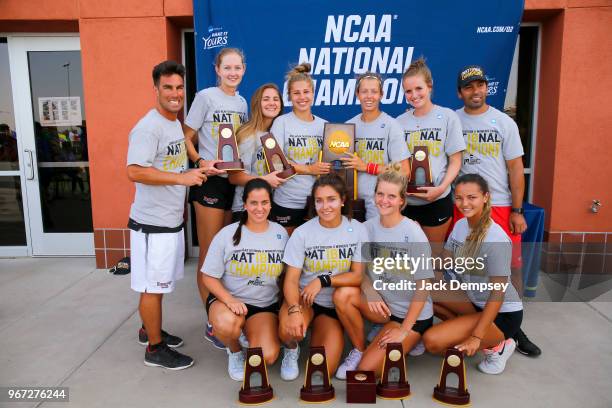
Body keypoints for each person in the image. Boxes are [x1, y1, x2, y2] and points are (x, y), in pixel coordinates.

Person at [455, 65, 540, 357]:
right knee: (466, 268)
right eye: (469, 87)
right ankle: (478, 320)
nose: (475, 91)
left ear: (487, 88)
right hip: (465, 205)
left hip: (500, 205)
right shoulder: (453, 121)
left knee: (510, 268)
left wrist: (517, 209)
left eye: (479, 85)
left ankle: (514, 330)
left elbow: (516, 168)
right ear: (460, 92)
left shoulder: (504, 122)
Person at [127, 60, 207, 370]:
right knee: (152, 287)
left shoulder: (173, 121)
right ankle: (155, 349)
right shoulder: (148, 127)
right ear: (156, 89)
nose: (175, 94)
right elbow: (134, 171)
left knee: (157, 285)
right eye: (167, 88)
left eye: (178, 87)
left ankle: (149, 329)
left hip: (169, 222)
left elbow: (176, 155)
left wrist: (198, 165)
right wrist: (181, 179)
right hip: (152, 225)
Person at [334, 163, 434, 378]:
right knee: (343, 295)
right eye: (380, 194)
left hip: (412, 316)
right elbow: (358, 272)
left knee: (367, 370)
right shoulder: (367, 228)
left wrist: (404, 330)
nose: (384, 201)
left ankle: (409, 339)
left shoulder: (413, 233)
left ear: (401, 200)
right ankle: (359, 349)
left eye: (391, 196)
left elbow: (424, 286)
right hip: (385, 308)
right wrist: (369, 290)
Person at [424, 174, 523, 375]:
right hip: (474, 301)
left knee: (432, 343)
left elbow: (498, 294)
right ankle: (467, 329)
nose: (464, 203)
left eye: (471, 197)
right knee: (424, 288)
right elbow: (445, 260)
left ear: (485, 197)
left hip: (502, 313)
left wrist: (477, 337)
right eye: (459, 198)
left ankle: (498, 346)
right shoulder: (461, 225)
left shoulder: (495, 238)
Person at [183, 48, 248, 348]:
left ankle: (221, 310)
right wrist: (198, 162)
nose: (233, 72)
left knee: (224, 253)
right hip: (209, 183)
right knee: (209, 254)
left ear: (243, 70)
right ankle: (212, 322)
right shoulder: (206, 97)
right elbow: (185, 135)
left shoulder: (242, 102)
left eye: (238, 68)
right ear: (218, 69)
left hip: (232, 182)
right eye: (228, 67)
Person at [278, 174, 368, 381]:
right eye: (319, 200)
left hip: (334, 305)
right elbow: (291, 280)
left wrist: (322, 280)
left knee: (324, 370)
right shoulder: (302, 233)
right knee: (288, 331)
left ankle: (321, 334)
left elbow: (357, 277)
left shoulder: (357, 229)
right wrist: (293, 310)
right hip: (305, 300)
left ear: (343, 200)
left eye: (331, 199)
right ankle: (291, 350)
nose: (325, 206)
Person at [201, 179, 288, 381]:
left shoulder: (280, 234)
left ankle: (249, 332)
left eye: (264, 202)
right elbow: (208, 276)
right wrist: (230, 300)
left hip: (263, 305)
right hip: (228, 302)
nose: (259, 208)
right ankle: (235, 350)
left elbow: (285, 277)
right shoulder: (227, 234)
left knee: (268, 356)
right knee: (227, 324)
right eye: (254, 203)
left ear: (270, 203)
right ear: (245, 204)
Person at [397, 58, 465, 247]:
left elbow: (456, 160)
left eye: (418, 88)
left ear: (430, 86)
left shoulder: (447, 117)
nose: (414, 95)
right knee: (406, 262)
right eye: (408, 91)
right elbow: (397, 165)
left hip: (437, 200)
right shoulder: (399, 122)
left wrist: (441, 188)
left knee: (433, 260)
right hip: (406, 203)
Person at [270, 63, 330, 233]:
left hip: (318, 202)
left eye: (306, 92)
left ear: (313, 93)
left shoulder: (325, 125)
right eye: (296, 93)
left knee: (313, 256)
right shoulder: (281, 122)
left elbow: (332, 164)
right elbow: (276, 163)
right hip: (287, 201)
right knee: (286, 254)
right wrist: (310, 169)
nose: (302, 97)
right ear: (289, 96)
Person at [342, 72, 410, 220]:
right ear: (357, 94)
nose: (369, 96)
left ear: (381, 95)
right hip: (352, 203)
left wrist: (366, 167)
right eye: (364, 91)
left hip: (381, 203)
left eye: (374, 91)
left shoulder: (392, 125)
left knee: (376, 244)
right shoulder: (348, 126)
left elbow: (404, 171)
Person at [228, 83, 286, 222]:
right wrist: (266, 180)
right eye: (266, 99)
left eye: (275, 99)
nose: (272, 103)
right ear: (257, 103)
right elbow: (234, 177)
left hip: (270, 206)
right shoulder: (248, 135)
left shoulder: (279, 133)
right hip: (246, 208)